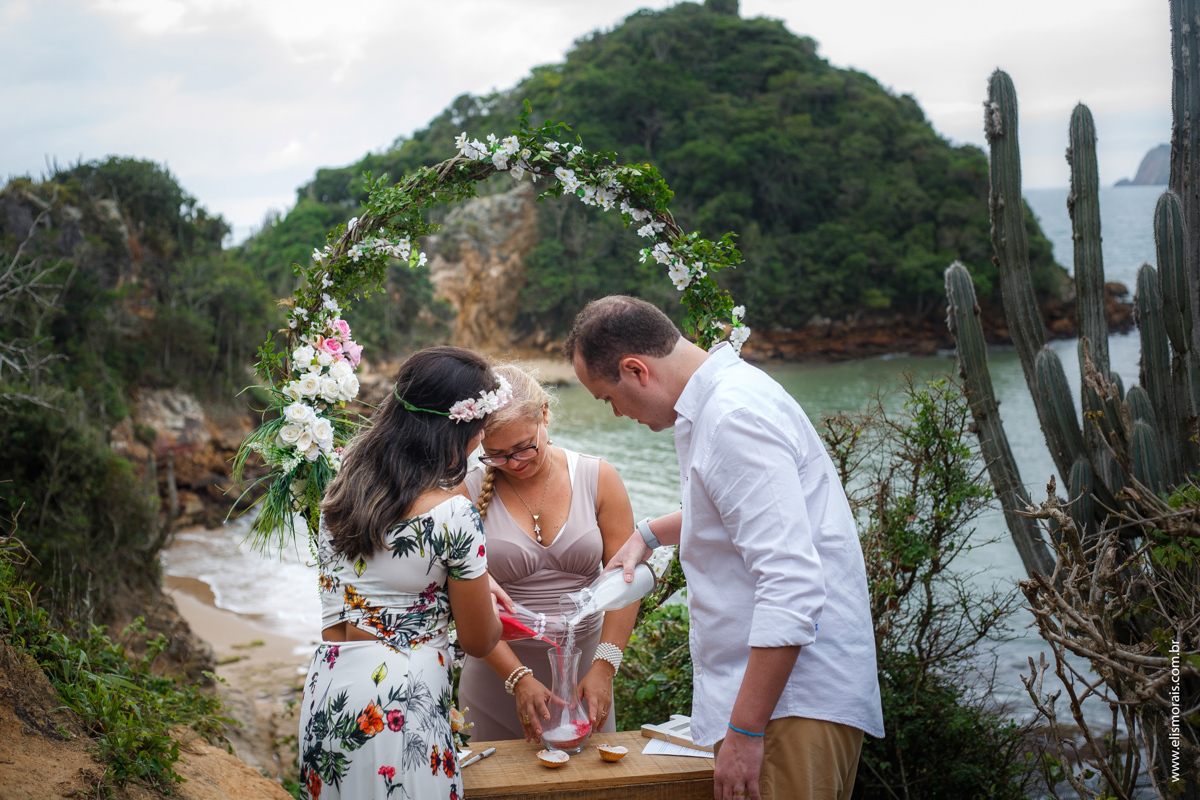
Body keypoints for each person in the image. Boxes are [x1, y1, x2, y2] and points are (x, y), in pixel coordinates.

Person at [565, 296, 884, 800]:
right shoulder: (725, 399)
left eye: (608, 398)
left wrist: (746, 732)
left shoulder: (732, 417)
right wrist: (649, 534)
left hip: (787, 707)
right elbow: (740, 514)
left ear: (635, 370)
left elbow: (791, 583)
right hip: (781, 704)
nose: (619, 413)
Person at [298, 346, 504, 800]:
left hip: (330, 687)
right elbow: (478, 640)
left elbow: (337, 617)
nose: (482, 439)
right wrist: (482, 597)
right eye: (481, 427)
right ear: (458, 428)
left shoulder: (340, 494)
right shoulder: (454, 514)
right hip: (398, 701)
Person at [458, 364, 639, 743]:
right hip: (498, 675)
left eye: (524, 447)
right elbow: (461, 600)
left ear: (544, 415)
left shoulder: (599, 478)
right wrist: (517, 678)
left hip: (586, 675)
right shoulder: (466, 494)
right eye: (497, 455)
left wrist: (605, 666)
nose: (515, 463)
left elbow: (627, 579)